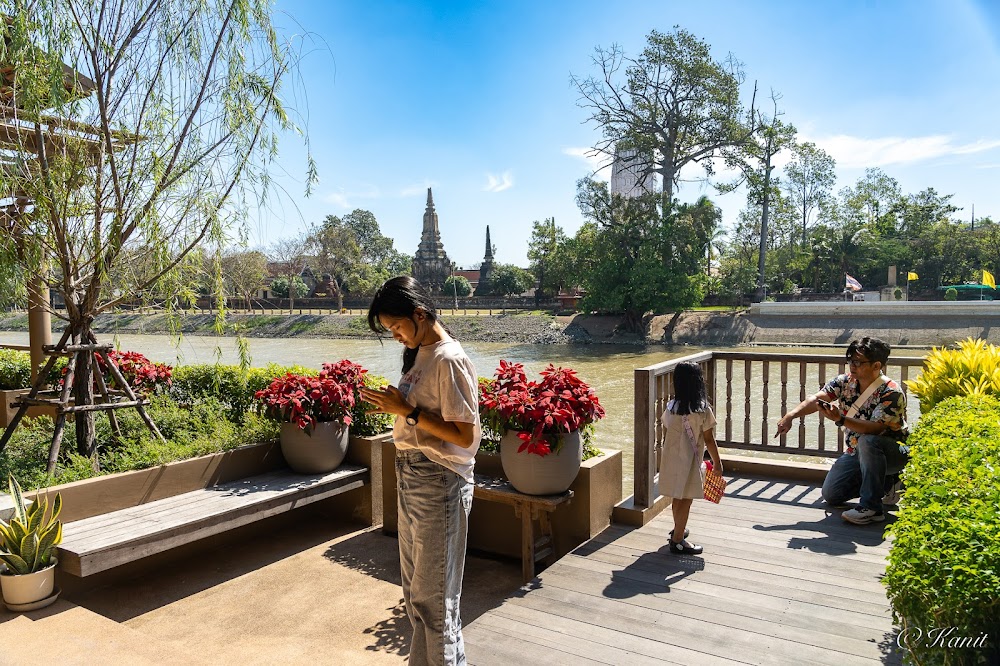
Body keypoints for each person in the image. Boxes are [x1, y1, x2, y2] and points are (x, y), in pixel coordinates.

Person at [360, 276, 480, 666]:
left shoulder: (450, 359)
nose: (395, 336)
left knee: (434, 601)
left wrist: (406, 411)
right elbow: (423, 419)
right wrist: (398, 408)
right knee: (417, 597)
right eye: (389, 330)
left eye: (397, 327)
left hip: (438, 479)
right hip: (412, 475)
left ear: (420, 313)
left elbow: (464, 436)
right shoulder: (423, 353)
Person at [774, 336, 909, 525]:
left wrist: (841, 419)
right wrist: (790, 416)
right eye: (850, 360)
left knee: (868, 441)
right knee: (832, 494)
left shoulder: (891, 392)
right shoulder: (844, 382)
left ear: (877, 365)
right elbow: (817, 399)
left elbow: (876, 429)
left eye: (858, 362)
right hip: (857, 452)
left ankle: (871, 507)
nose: (852, 366)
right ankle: (888, 483)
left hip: (892, 452)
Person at [659, 361, 723, 555]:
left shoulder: (672, 406)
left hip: (671, 459)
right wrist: (717, 463)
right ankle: (678, 540)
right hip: (690, 461)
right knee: (686, 499)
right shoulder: (702, 410)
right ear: (698, 382)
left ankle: (678, 528)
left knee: (677, 496)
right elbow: (709, 439)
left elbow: (667, 427)